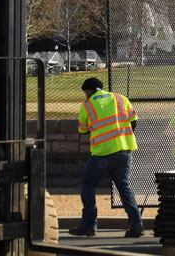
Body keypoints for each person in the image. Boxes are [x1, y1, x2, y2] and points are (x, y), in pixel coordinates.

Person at [71, 77, 144, 238]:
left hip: (102, 153)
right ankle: (137, 225)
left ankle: (89, 226)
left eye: (85, 92)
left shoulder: (87, 105)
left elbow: (83, 129)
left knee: (88, 184)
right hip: (124, 150)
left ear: (89, 91)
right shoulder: (120, 98)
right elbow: (134, 120)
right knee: (124, 188)